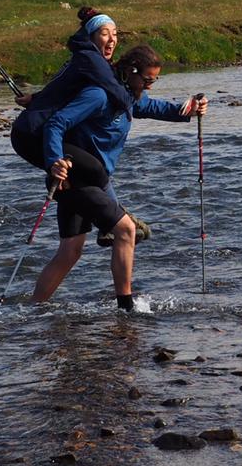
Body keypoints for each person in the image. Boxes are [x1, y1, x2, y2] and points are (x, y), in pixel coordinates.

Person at [15, 39, 207, 310]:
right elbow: (57, 123)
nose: (150, 86)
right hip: (77, 179)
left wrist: (188, 109)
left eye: (155, 81)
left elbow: (152, 107)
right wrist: (54, 161)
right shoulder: (99, 95)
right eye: (149, 80)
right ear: (131, 71)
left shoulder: (126, 96)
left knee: (70, 252)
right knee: (127, 230)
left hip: (81, 182)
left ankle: (31, 311)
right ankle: (126, 308)